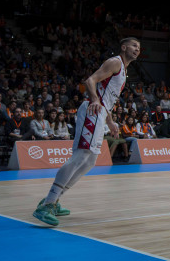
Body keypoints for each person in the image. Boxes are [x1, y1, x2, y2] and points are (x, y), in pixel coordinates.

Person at [33, 37, 140, 226]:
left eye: (139, 47)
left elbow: (106, 99)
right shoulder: (115, 62)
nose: (137, 49)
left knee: (89, 161)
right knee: (81, 156)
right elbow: (90, 81)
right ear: (123, 47)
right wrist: (94, 100)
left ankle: (54, 200)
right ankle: (46, 205)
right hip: (92, 110)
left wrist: (111, 122)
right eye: (134, 45)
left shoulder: (124, 70)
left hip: (100, 114)